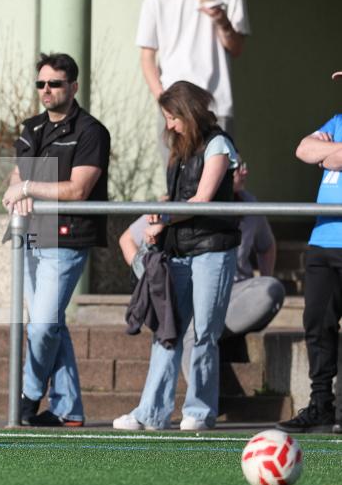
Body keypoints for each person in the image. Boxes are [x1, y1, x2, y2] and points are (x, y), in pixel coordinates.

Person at [113, 81, 239, 432]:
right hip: (179, 250)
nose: (169, 125)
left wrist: (163, 218)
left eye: (172, 117)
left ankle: (198, 412)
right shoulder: (179, 149)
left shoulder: (218, 144)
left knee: (203, 334)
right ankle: (151, 413)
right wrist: (160, 214)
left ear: (189, 112)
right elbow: (178, 198)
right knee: (167, 331)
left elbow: (202, 200)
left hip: (213, 249)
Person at [1, 52, 111, 428]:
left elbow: (79, 189)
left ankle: (29, 396)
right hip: (29, 236)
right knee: (50, 324)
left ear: (73, 86)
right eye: (41, 84)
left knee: (43, 325)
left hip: (68, 236)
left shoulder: (90, 130)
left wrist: (30, 187)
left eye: (55, 83)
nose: (46, 90)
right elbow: (16, 179)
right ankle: (69, 409)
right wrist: (17, 190)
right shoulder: (30, 128)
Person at [119, 156, 285, 345]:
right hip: (196, 293)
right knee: (196, 325)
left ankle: (206, 329)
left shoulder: (248, 204)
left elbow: (267, 246)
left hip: (235, 293)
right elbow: (127, 239)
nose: (245, 172)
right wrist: (148, 275)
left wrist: (265, 275)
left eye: (244, 165)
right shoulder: (183, 205)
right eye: (238, 167)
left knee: (271, 289)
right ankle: (200, 331)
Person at [137, 0, 250, 162]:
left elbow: (236, 48)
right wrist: (164, 101)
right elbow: (147, 57)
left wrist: (222, 21)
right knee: (177, 184)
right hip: (175, 107)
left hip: (217, 103)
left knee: (218, 184)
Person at [277, 70, 342, 434]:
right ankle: (321, 405)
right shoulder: (337, 121)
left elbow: (328, 159)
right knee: (318, 325)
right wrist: (330, 153)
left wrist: (328, 154)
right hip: (323, 241)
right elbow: (303, 149)